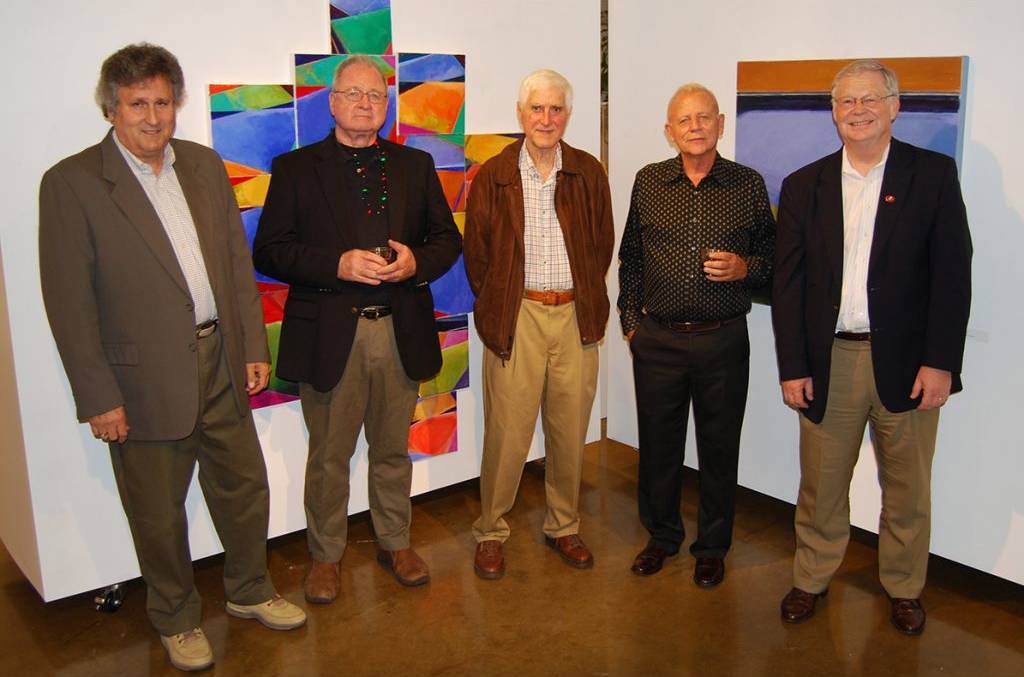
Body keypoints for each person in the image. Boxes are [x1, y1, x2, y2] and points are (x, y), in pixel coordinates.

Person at [38, 43, 305, 672]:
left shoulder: (206, 168)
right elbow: (68, 304)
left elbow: (235, 268)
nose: (152, 118)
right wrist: (98, 396)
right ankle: (177, 619)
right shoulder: (71, 184)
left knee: (244, 488)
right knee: (158, 512)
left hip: (220, 358)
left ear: (176, 104)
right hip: (140, 379)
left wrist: (250, 346)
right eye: (137, 104)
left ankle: (248, 591)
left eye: (162, 102)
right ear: (112, 108)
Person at [771, 59, 972, 635]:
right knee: (821, 487)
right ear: (833, 113)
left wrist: (941, 362)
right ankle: (810, 578)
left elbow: (953, 277)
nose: (856, 112)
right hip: (828, 361)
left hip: (909, 366)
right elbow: (787, 286)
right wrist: (793, 365)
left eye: (868, 101)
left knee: (907, 490)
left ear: (893, 107)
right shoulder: (805, 183)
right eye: (845, 103)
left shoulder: (931, 175)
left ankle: (905, 588)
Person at [253, 56, 461, 601]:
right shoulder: (296, 168)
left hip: (400, 332)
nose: (366, 104)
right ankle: (325, 555)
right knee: (329, 457)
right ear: (333, 101)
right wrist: (336, 265)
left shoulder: (415, 165)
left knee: (393, 448)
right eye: (354, 94)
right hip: (330, 336)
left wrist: (416, 262)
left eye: (375, 95)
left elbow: (447, 240)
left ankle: (395, 541)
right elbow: (269, 250)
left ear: (386, 105)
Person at [617, 84, 775, 587]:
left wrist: (745, 267)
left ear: (721, 124)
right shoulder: (649, 181)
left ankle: (712, 546)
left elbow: (775, 264)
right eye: (684, 120)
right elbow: (631, 260)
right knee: (658, 446)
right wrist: (630, 323)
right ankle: (661, 537)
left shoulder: (748, 185)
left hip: (722, 340)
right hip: (657, 339)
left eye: (704, 117)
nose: (695, 127)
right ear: (670, 131)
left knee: (718, 446)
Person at [464, 69, 614, 579]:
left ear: (567, 116)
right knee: (507, 433)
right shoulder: (494, 175)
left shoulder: (589, 173)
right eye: (537, 109)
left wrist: (584, 298)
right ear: (521, 113)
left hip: (575, 316)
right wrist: (500, 305)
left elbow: (601, 248)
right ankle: (491, 530)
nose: (546, 119)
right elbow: (478, 255)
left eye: (556, 110)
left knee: (570, 430)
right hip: (517, 314)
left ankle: (564, 526)